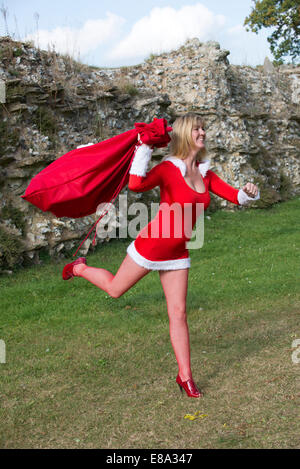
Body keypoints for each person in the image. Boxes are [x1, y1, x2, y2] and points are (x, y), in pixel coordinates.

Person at [62, 113, 260, 398]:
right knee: (115, 289)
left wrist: (249, 192)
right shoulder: (169, 168)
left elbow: (235, 197)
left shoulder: (206, 172)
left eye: (204, 128)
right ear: (183, 134)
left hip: (178, 251)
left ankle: (185, 377)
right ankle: (79, 267)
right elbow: (136, 184)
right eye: (197, 129)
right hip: (152, 245)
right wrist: (144, 148)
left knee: (178, 313)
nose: (202, 132)